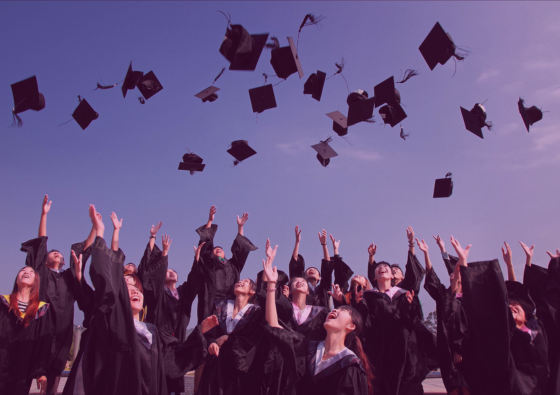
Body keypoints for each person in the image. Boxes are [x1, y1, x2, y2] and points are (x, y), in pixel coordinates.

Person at [78, 205, 217, 395]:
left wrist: (200, 332)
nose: (135, 291)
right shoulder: (115, 323)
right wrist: (101, 233)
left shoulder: (152, 332)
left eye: (137, 289)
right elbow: (107, 282)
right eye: (127, 288)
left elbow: (175, 357)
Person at [263, 242, 372, 395]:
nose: (334, 311)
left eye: (342, 310)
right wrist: (271, 284)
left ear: (352, 326)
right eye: (336, 309)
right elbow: (274, 325)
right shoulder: (307, 349)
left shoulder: (351, 365)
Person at [20, 195, 90, 395]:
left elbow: (84, 250)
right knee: (26, 374)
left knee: (53, 380)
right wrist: (44, 215)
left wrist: (95, 227)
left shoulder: (69, 276)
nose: (56, 253)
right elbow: (41, 243)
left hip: (62, 330)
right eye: (53, 253)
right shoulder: (40, 274)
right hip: (40, 327)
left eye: (60, 254)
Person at [448, 236, 523, 395]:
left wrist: (509, 265)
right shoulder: (481, 327)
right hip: (483, 367)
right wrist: (463, 262)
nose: (513, 307)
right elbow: (471, 302)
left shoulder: (507, 327)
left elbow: (516, 294)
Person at [137, 222, 199, 395]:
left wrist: (196, 260)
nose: (171, 272)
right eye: (168, 271)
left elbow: (194, 281)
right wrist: (160, 248)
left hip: (176, 340)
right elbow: (149, 273)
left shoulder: (183, 293)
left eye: (174, 272)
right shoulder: (157, 293)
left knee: (174, 380)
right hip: (158, 339)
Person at [196, 272, 264, 394]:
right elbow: (211, 331)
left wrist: (228, 338)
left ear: (252, 292)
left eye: (246, 281)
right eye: (239, 281)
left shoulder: (256, 312)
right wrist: (212, 342)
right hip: (217, 364)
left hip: (239, 366)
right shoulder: (220, 307)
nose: (240, 282)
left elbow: (252, 339)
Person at [422, 236, 472, 395]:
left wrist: (459, 349)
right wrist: (427, 253)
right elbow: (432, 276)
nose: (451, 274)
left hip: (465, 351)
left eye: (455, 273)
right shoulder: (444, 296)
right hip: (446, 350)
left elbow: (467, 326)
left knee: (466, 385)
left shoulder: (469, 298)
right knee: (452, 386)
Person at [0, 267, 51, 395]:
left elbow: (43, 343)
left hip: (23, 367)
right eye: (23, 271)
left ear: (36, 282)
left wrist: (41, 371)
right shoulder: (2, 303)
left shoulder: (41, 310)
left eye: (31, 272)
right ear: (16, 280)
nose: (26, 272)